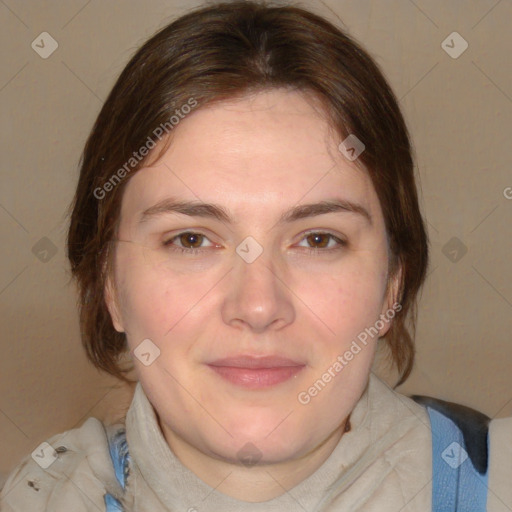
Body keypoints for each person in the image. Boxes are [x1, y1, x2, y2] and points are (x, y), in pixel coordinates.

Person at [1, 1, 510, 510]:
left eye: (318, 239)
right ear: (109, 283)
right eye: (191, 240)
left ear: (392, 284)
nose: (259, 305)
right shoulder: (38, 494)